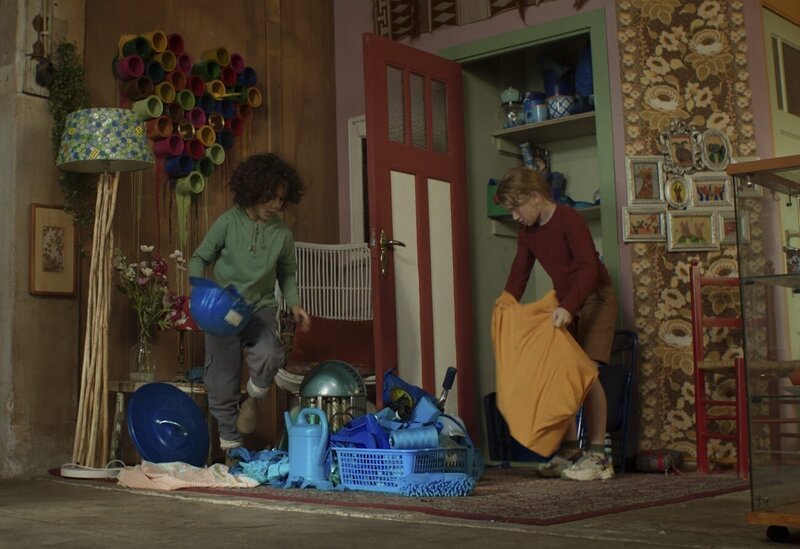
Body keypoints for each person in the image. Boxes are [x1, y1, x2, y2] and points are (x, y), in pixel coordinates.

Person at [495, 166, 617, 481]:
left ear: (535, 197)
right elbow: (520, 270)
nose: (515, 216)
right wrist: (506, 303)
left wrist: (568, 306)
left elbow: (589, 268)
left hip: (595, 297)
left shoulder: (569, 220)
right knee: (558, 374)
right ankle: (570, 450)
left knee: (587, 374)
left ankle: (599, 455)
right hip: (566, 303)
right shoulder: (528, 232)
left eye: (517, 208)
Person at [189, 153, 311, 463]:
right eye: (270, 197)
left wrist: (294, 304)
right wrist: (199, 289)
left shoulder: (282, 234)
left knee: (271, 353)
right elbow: (200, 258)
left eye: (281, 199)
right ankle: (232, 449)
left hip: (259, 308)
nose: (276, 205)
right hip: (222, 310)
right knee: (221, 379)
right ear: (253, 191)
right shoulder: (228, 222)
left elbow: (287, 274)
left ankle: (253, 400)